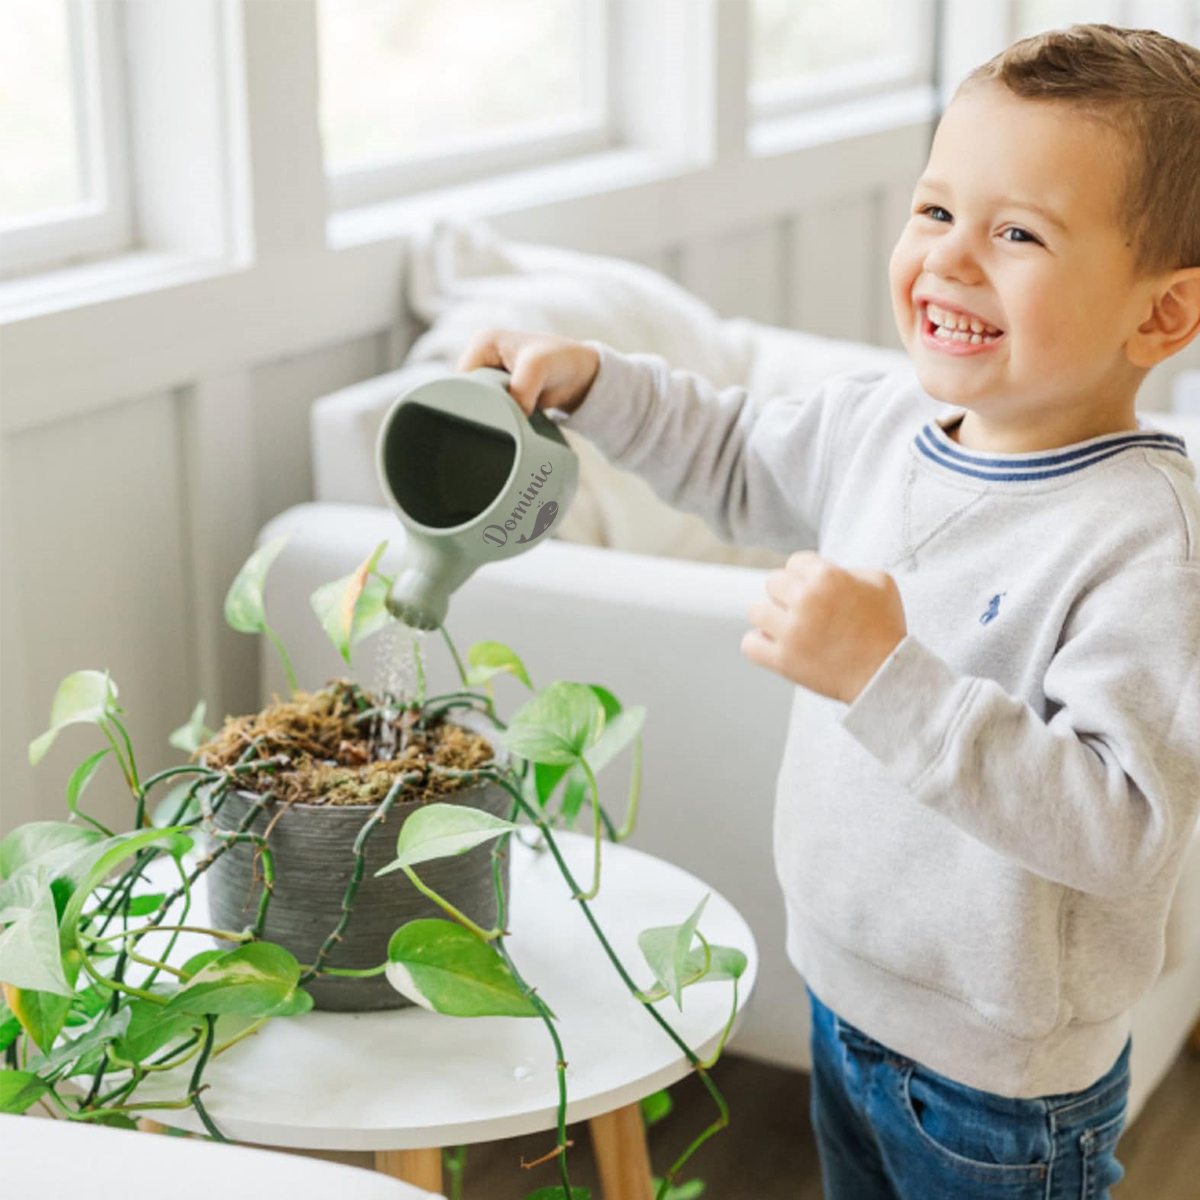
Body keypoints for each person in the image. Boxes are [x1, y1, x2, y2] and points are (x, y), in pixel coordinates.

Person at [454, 22, 1200, 1200]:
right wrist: (597, 383)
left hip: (1000, 1087)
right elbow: (733, 449)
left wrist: (883, 675)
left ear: (1158, 317)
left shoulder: (1144, 536)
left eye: (1018, 234)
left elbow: (1122, 827)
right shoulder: (877, 422)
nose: (951, 261)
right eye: (937, 211)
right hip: (841, 997)